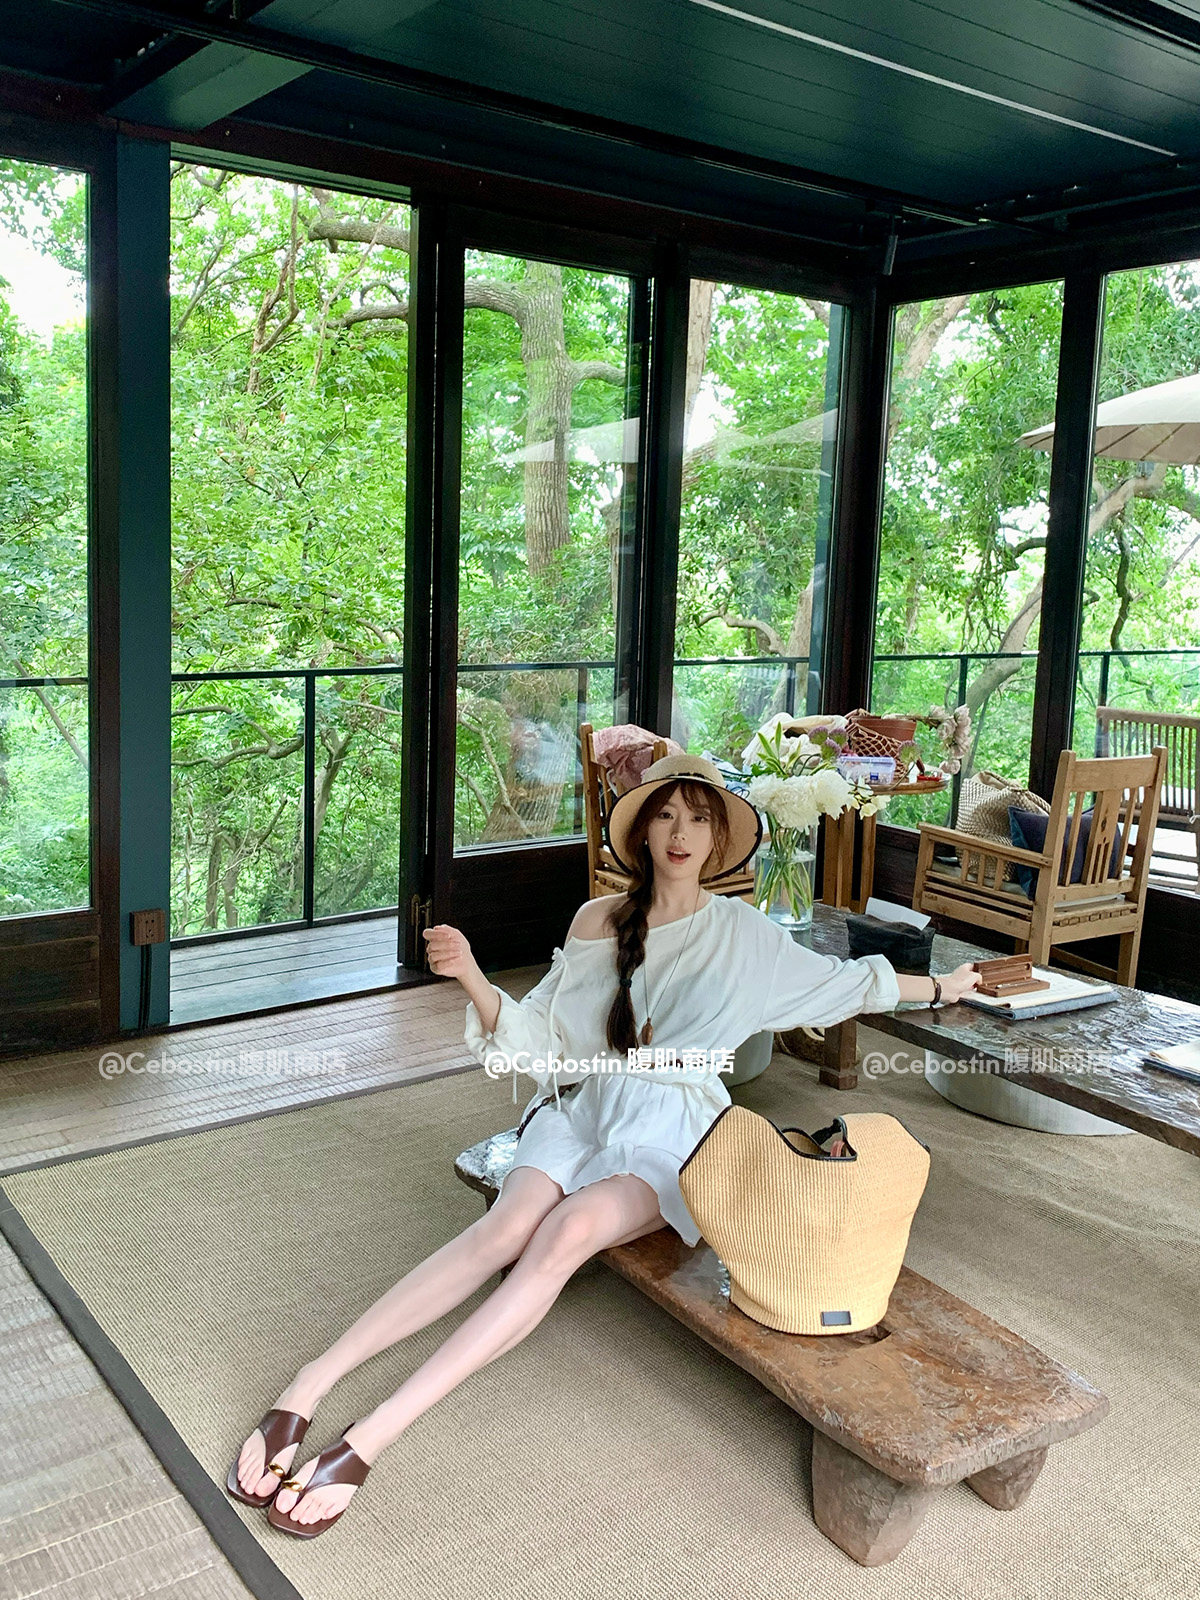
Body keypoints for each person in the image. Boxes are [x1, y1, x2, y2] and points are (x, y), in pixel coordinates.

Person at [227, 753, 979, 1537]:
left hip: (677, 1126)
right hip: (585, 1102)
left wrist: (941, 987)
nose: (680, 832)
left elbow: (846, 982)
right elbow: (546, 1039)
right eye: (666, 815)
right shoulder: (596, 919)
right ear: (642, 832)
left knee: (566, 1234)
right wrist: (474, 977)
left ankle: (373, 1434)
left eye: (698, 818)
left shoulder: (744, 935)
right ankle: (310, 1384)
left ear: (718, 838)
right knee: (504, 1230)